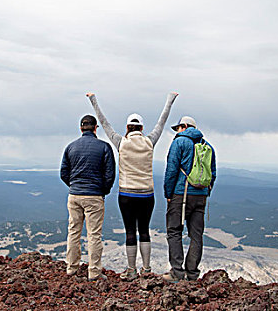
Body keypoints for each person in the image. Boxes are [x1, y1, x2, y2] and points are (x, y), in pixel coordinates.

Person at [87, 92, 178, 280]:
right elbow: (162, 121)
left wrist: (93, 100)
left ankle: (131, 270)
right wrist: (170, 100)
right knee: (144, 230)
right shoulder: (149, 142)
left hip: (127, 195)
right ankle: (146, 269)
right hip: (147, 195)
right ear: (142, 127)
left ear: (128, 127)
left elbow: (104, 123)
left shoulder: (121, 142)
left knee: (130, 231)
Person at [60, 115, 116, 281]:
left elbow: (64, 173)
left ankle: (71, 268)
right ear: (95, 128)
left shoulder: (71, 147)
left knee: (73, 232)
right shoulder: (104, 147)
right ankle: (94, 272)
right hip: (94, 196)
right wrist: (102, 191)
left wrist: (74, 185)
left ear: (81, 128)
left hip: (75, 195)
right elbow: (109, 175)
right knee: (94, 235)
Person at [163, 116, 217, 282]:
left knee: (174, 231)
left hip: (181, 194)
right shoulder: (208, 146)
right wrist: (205, 193)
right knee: (196, 235)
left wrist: (168, 194)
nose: (177, 131)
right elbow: (212, 174)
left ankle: (177, 272)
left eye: (178, 128)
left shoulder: (179, 143)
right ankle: (192, 273)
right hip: (200, 196)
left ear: (184, 126)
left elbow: (171, 171)